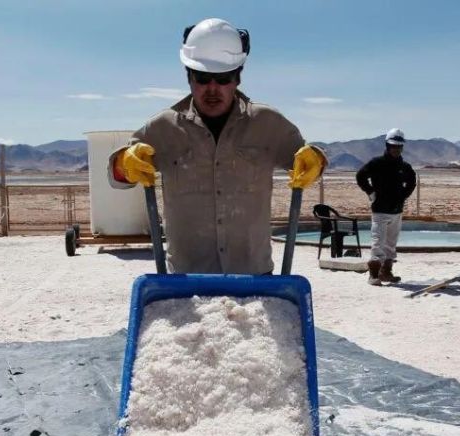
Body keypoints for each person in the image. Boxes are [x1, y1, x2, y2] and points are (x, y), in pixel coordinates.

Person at [109, 18, 326, 274]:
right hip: (186, 280)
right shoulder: (162, 128)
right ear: (188, 77)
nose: (213, 89)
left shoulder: (270, 125)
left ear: (238, 78)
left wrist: (317, 162)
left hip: (254, 277)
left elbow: (308, 161)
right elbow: (118, 178)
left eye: (223, 79)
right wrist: (124, 163)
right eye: (202, 78)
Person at [355, 128, 417, 285]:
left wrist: (403, 196)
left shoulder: (405, 166)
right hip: (380, 210)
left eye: (399, 146)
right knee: (378, 242)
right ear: (387, 146)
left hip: (396, 211)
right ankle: (373, 275)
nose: (396, 149)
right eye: (393, 146)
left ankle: (386, 272)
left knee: (391, 244)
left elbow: (412, 182)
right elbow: (360, 176)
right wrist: (370, 191)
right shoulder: (377, 163)